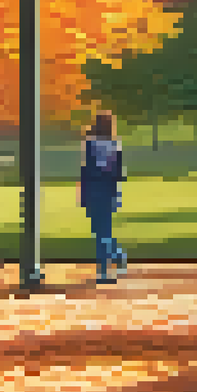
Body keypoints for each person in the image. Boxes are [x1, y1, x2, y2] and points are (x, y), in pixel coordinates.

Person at [79, 111, 129, 284]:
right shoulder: (115, 144)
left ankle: (104, 271)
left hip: (95, 189)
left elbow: (85, 171)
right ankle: (117, 256)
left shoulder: (90, 143)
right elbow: (120, 173)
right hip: (108, 190)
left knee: (100, 232)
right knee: (104, 231)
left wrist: (83, 194)